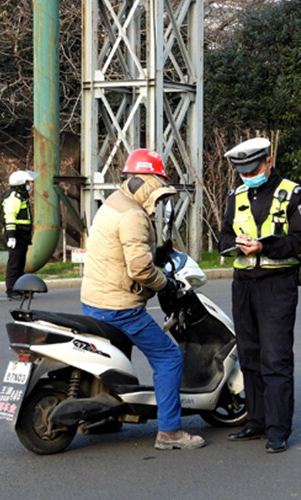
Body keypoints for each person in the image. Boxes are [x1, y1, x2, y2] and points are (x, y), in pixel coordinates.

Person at [81, 148, 205, 450]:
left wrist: (157, 254)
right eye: (160, 181)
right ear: (149, 180)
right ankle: (170, 432)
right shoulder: (134, 215)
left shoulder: (115, 203)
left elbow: (126, 254)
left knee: (115, 362)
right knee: (168, 358)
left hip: (94, 301)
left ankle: (100, 417)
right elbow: (139, 269)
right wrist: (165, 284)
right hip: (119, 308)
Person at [218, 137, 301, 453]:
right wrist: (235, 244)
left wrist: (265, 246)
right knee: (250, 356)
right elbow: (223, 236)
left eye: (253, 169)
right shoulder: (236, 195)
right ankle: (255, 422)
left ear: (269, 162)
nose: (247, 176)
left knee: (276, 358)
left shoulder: (292, 193)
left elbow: (299, 241)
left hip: (277, 284)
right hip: (243, 283)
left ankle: (278, 430)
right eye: (242, 172)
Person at [2, 170, 38, 299]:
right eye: (28, 183)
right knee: (14, 263)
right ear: (21, 185)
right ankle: (11, 290)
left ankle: (20, 288)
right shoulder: (13, 197)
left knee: (20, 263)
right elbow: (10, 216)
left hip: (22, 235)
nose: (30, 185)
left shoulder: (21, 196)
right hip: (16, 235)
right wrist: (11, 236)